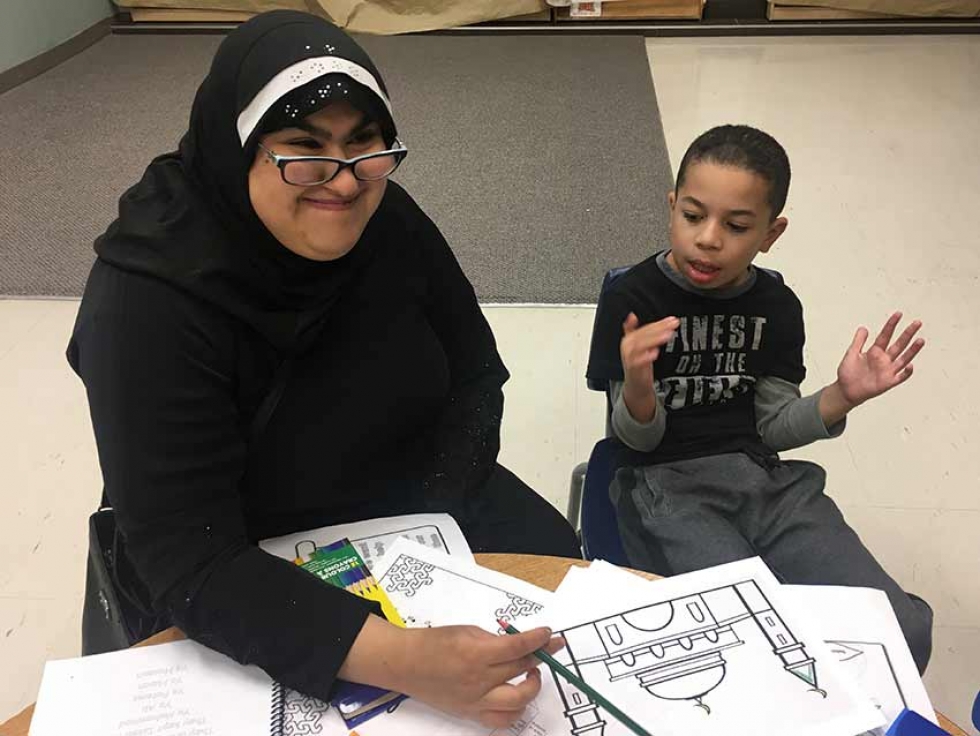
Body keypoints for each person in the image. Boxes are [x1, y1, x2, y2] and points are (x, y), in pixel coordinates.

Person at [67, 10, 580, 728]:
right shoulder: (147, 301)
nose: (341, 184)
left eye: (364, 147)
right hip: (244, 549)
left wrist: (428, 522)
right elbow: (190, 559)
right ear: (236, 147)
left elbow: (475, 372)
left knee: (560, 569)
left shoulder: (388, 219)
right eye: (302, 150)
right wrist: (404, 656)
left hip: (410, 495)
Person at [585, 124, 933, 673]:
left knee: (901, 631)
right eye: (693, 216)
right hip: (664, 484)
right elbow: (635, 439)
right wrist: (636, 382)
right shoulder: (633, 298)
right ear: (672, 207)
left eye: (738, 225)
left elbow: (772, 427)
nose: (708, 239)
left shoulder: (777, 306)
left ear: (772, 233)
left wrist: (842, 395)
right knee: (756, 639)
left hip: (762, 479)